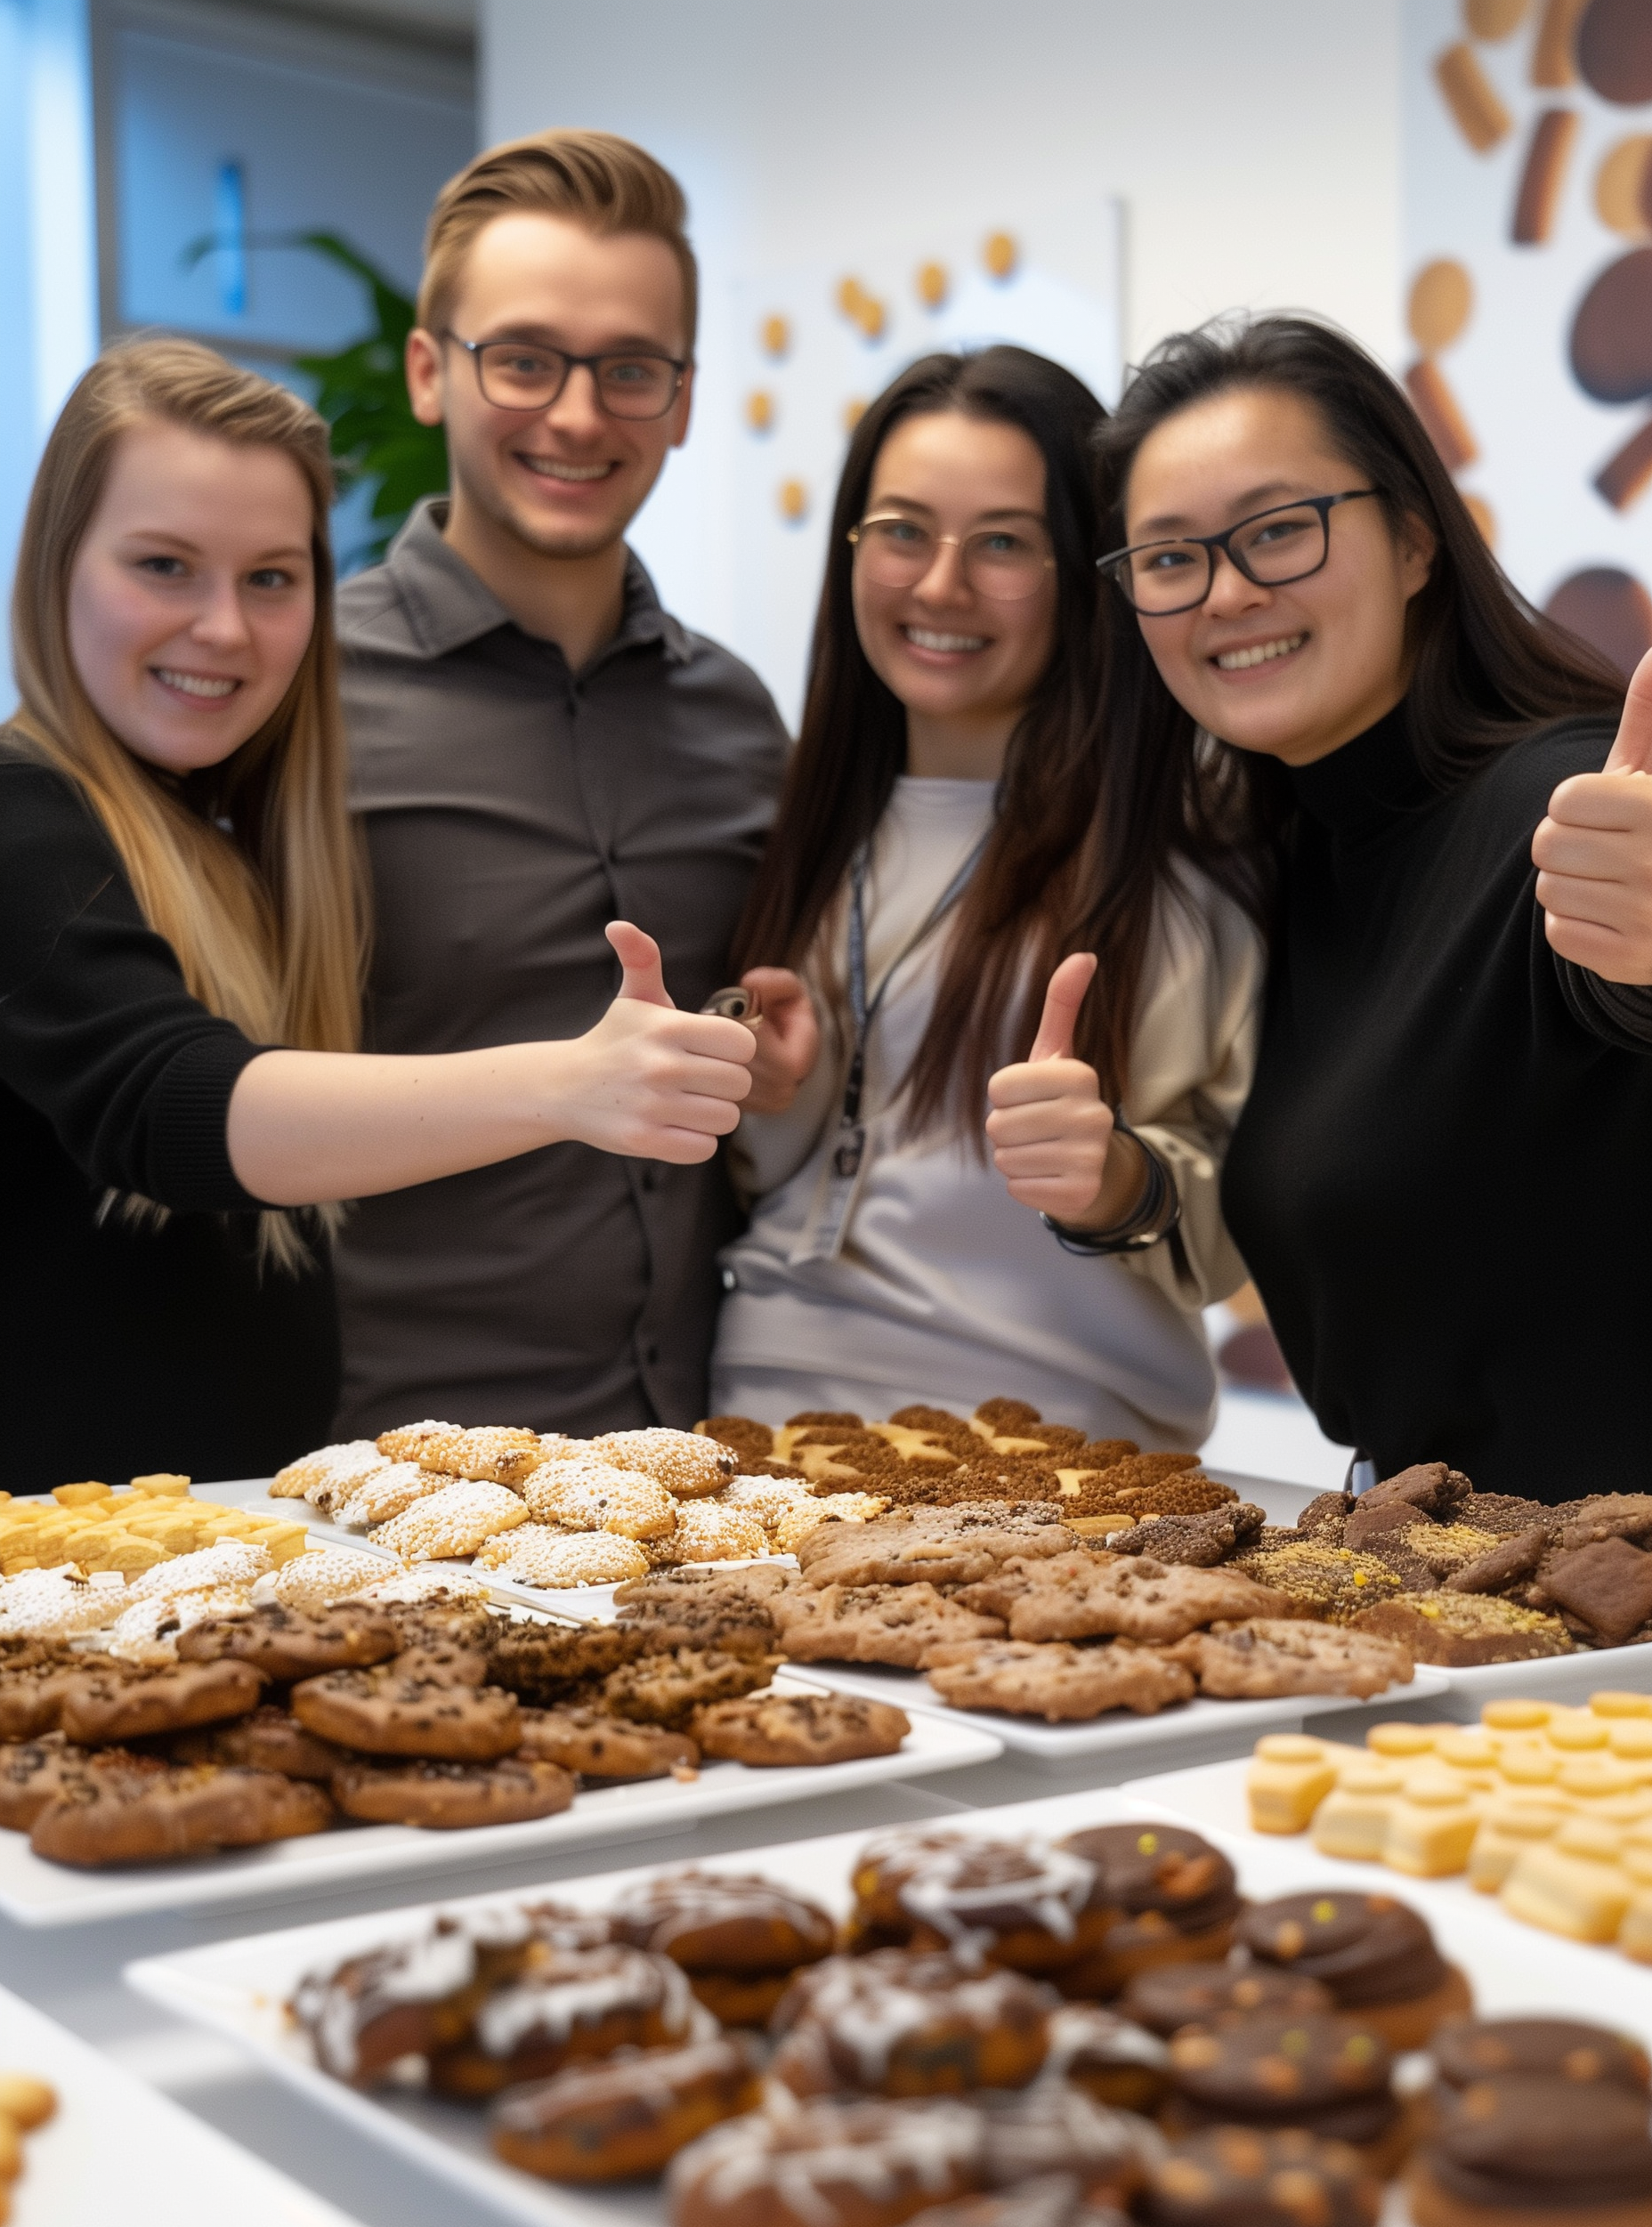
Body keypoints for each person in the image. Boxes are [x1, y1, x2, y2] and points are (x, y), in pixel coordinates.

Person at [0, 338, 755, 1489]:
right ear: (54, 565)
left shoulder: (224, 831)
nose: (224, 629)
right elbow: (169, 1106)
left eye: (270, 577)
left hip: (237, 1546)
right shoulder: (20, 810)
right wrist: (571, 1083)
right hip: (67, 1575)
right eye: (163, 565)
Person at [1091, 312, 1651, 1502]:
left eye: (1281, 530)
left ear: (1411, 539)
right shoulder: (1287, 866)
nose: (1227, 592)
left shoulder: (1559, 807)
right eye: (1171, 557)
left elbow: (1622, 983)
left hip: (1613, 1633)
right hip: (1462, 1600)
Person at [709, 346, 1266, 1445]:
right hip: (758, 1439)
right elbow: (819, 1178)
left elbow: (1255, 1212)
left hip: (1052, 1463)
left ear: (1082, 572)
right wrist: (779, 1099)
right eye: (902, 531)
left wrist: (1114, 1179)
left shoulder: (1179, 862)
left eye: (1003, 543)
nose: (938, 586)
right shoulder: (802, 825)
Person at [332, 129, 787, 1440]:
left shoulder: (740, 719)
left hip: (689, 1467)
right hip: (368, 1472)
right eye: (523, 359)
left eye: (630, 370)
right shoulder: (288, 701)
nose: (579, 415)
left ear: (685, 399)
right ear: (432, 373)